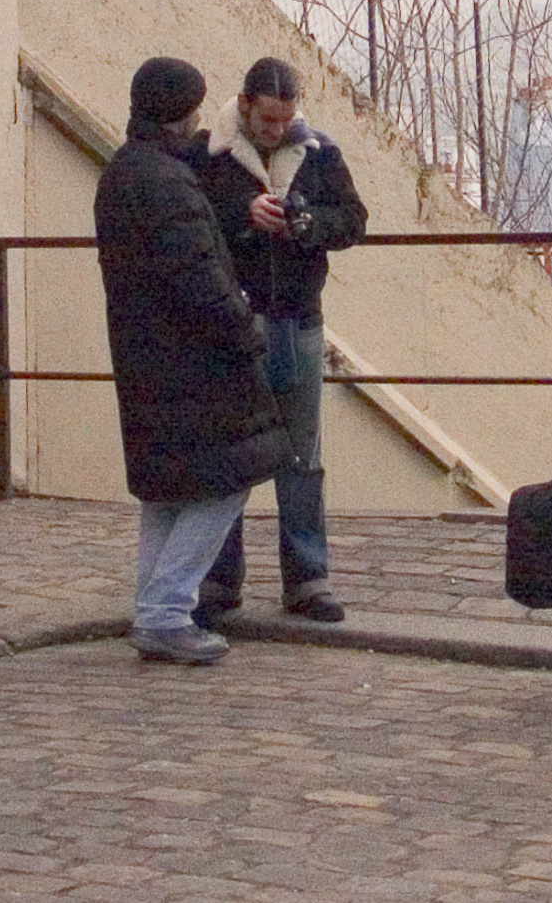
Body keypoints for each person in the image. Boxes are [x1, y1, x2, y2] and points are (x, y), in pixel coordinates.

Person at [96, 56, 292, 665]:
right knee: (223, 483)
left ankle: (154, 603)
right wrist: (244, 331)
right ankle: (165, 610)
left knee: (168, 490)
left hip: (145, 356)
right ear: (184, 112)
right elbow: (198, 279)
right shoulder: (167, 182)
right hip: (193, 362)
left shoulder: (124, 172)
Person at [196, 57, 369, 626]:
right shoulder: (208, 156)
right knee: (234, 454)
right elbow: (193, 222)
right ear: (244, 106)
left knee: (301, 456)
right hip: (238, 322)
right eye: (268, 121)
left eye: (284, 120)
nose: (276, 131)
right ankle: (221, 578)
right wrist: (242, 214)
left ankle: (307, 578)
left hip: (296, 318)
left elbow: (351, 221)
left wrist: (305, 223)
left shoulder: (319, 151)